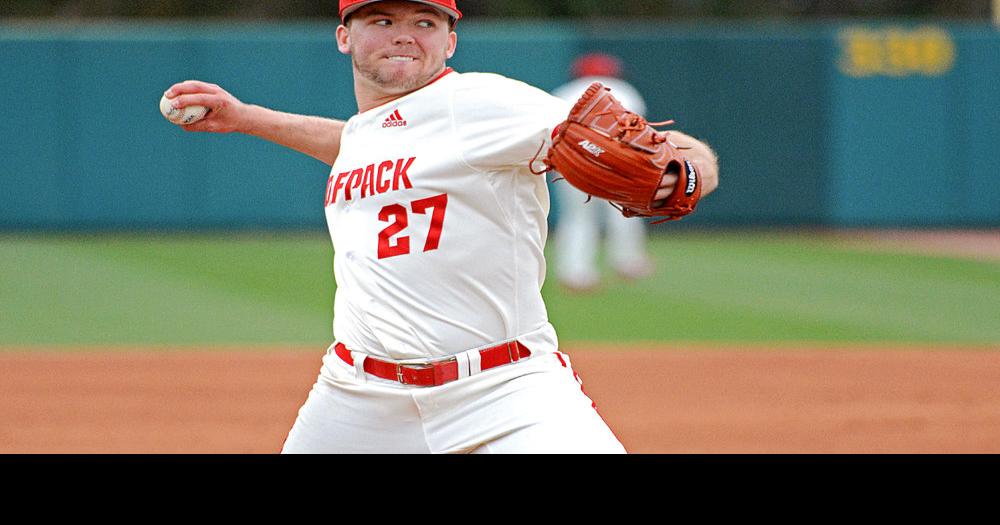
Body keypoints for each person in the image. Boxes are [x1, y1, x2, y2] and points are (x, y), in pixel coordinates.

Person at [163, 0, 719, 453]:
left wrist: (687, 174)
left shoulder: (481, 101)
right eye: (382, 21)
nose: (404, 35)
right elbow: (360, 145)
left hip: (503, 390)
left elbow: (680, 158)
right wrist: (245, 117)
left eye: (424, 23)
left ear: (449, 42)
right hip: (358, 396)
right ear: (344, 37)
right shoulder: (372, 130)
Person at [552, 53, 655, 292]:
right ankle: (628, 262)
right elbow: (639, 133)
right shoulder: (625, 90)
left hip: (573, 162)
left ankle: (575, 273)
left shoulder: (562, 92)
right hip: (616, 161)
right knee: (625, 210)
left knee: (577, 217)